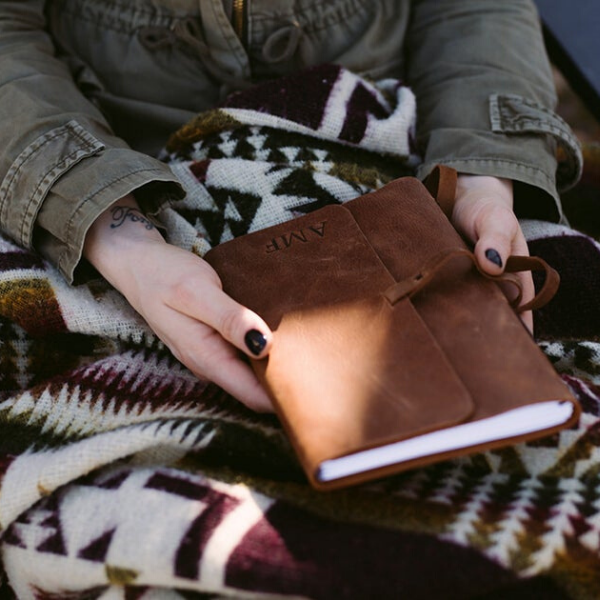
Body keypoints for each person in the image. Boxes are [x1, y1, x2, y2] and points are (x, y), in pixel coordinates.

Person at [0, 0, 580, 412]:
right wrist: (114, 231)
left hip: (414, 176)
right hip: (105, 182)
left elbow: (474, 11)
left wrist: (482, 172)